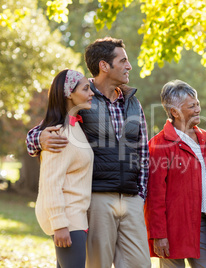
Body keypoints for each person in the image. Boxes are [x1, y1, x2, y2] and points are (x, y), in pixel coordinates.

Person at [26, 37, 151, 268]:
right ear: (104, 65)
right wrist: (40, 138)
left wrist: (141, 193)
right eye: (123, 60)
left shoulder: (133, 104)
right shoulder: (81, 96)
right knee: (98, 264)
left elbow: (143, 152)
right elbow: (45, 129)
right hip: (97, 199)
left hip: (132, 198)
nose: (129, 66)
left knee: (140, 264)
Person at [144, 80, 206, 268]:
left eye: (197, 104)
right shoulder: (159, 144)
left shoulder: (205, 139)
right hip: (172, 228)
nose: (197, 109)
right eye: (191, 106)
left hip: (203, 224)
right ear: (174, 112)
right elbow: (154, 194)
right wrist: (159, 234)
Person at [35, 69, 94, 268]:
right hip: (67, 220)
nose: (91, 93)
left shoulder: (75, 127)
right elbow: (51, 182)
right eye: (86, 89)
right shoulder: (59, 133)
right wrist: (59, 224)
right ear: (69, 93)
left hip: (77, 217)